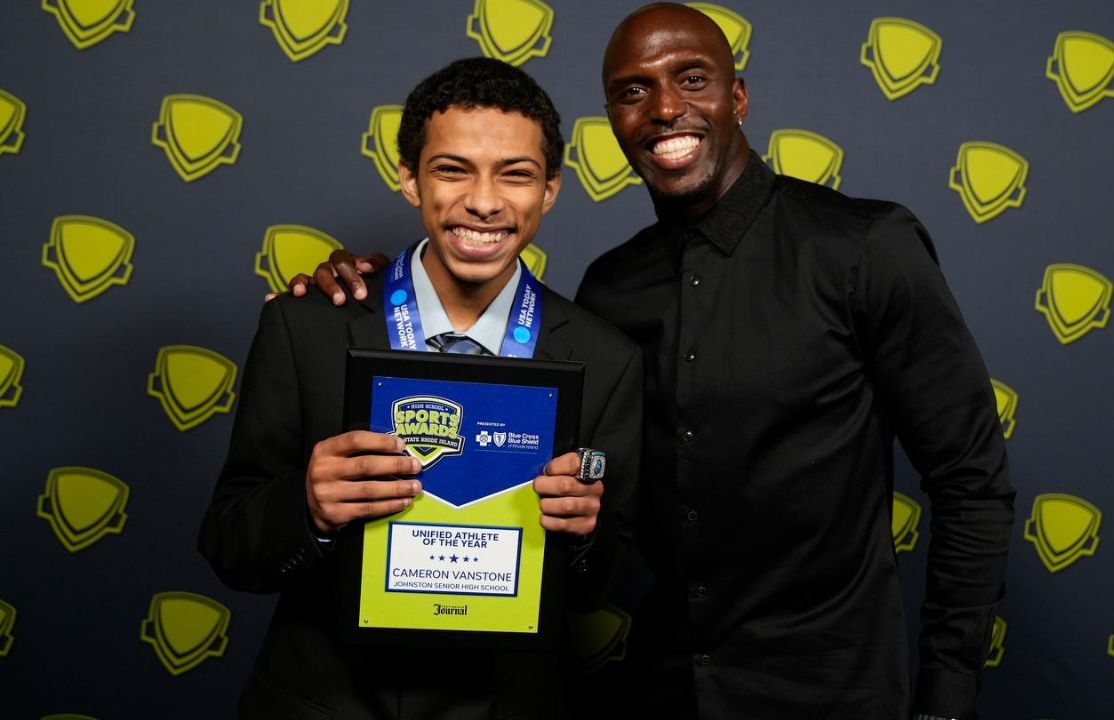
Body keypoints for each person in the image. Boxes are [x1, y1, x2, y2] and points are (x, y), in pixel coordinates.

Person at [300, 6, 1015, 719]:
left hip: (834, 690)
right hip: (665, 687)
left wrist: (947, 697)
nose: (665, 108)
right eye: (634, 91)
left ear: (737, 97)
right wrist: (360, 284)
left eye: (692, 78)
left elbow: (971, 483)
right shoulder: (609, 289)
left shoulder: (864, 248)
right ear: (611, 117)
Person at [199, 57, 641, 719]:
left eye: (515, 174)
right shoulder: (306, 326)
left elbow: (606, 583)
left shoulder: (607, 359)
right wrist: (309, 506)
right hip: (323, 702)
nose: (484, 201)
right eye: (452, 168)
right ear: (408, 177)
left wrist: (585, 533)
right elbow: (230, 546)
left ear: (550, 189)